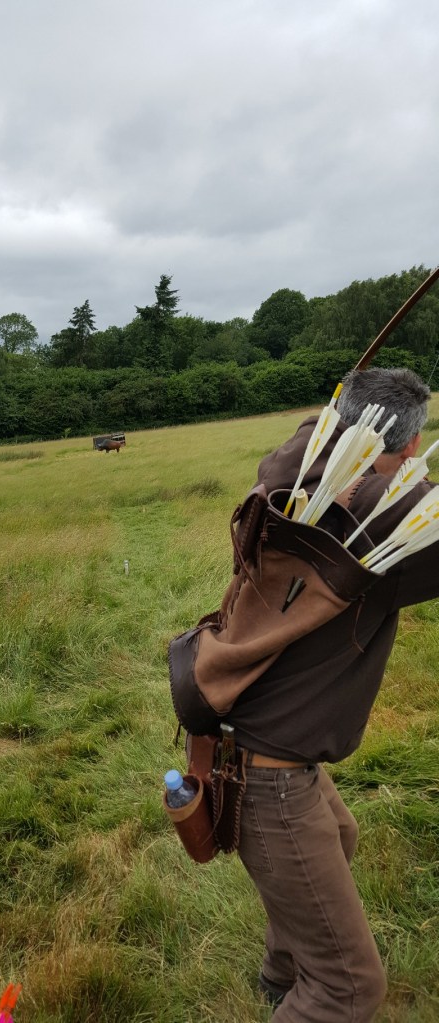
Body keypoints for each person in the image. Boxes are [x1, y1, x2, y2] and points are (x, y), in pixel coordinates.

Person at [224, 367, 435, 1022]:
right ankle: (305, 990)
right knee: (349, 987)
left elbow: (295, 447)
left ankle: (278, 973)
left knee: (337, 836)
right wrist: (397, 464)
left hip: (255, 742)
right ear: (395, 451)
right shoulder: (381, 525)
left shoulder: (290, 485)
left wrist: (344, 417)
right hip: (273, 774)